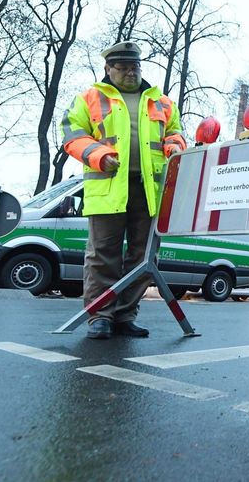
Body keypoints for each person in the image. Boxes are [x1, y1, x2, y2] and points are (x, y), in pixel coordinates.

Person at [62, 41, 187, 340]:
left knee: (144, 257)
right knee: (103, 255)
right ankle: (100, 317)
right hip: (107, 187)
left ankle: (124, 316)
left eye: (135, 66)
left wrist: (174, 146)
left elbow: (177, 134)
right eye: (123, 67)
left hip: (150, 190)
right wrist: (98, 156)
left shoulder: (163, 102)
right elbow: (72, 134)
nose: (131, 72)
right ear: (108, 69)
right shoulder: (89, 97)